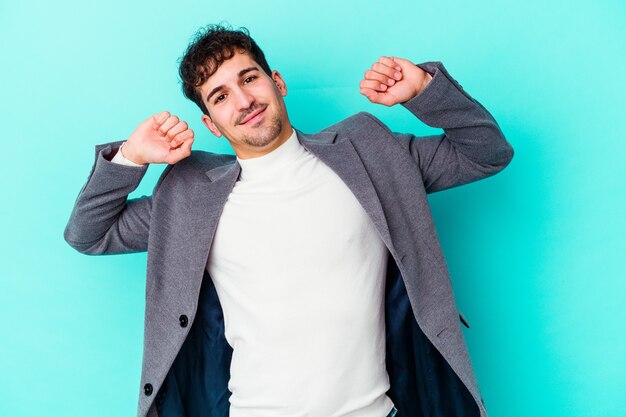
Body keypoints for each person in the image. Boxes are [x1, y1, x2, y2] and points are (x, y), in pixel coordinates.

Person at [64, 23, 513, 417]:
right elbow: (89, 233)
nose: (243, 101)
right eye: (221, 96)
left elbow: (487, 153)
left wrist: (423, 91)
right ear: (212, 124)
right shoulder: (191, 197)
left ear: (276, 81)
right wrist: (130, 157)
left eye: (249, 78)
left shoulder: (368, 152)